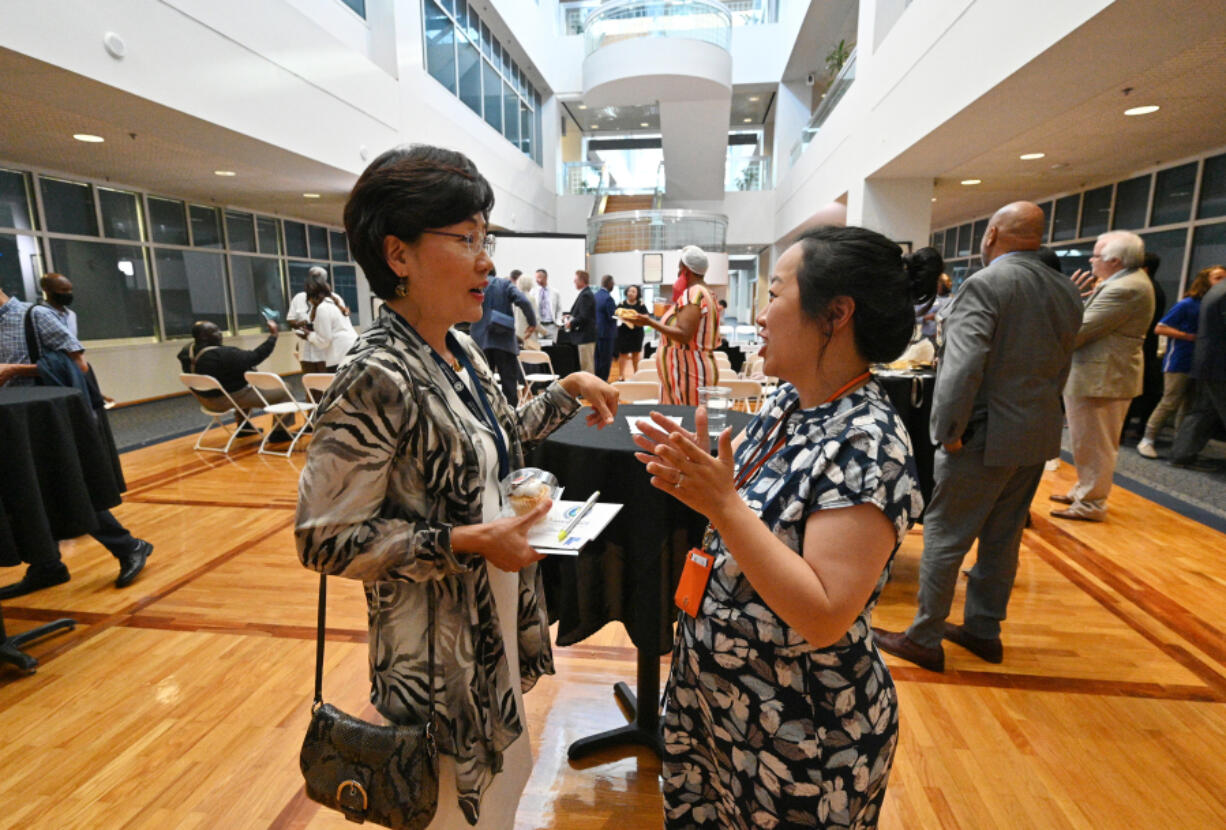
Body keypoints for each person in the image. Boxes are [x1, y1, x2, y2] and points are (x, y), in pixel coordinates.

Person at [295, 144, 618, 829]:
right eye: (466, 239)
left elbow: (492, 447)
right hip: (433, 662)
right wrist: (469, 540)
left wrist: (564, 392)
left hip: (487, 629)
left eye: (486, 237)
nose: (487, 260)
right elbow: (324, 540)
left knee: (492, 803)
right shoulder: (374, 375)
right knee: (449, 810)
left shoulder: (457, 348)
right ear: (399, 255)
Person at [631, 225, 933, 829]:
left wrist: (723, 506)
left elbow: (823, 612)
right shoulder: (788, 401)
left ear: (836, 314)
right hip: (720, 704)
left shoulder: (868, 441)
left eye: (774, 295)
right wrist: (704, 488)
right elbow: (757, 529)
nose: (759, 316)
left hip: (801, 732)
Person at [873, 202, 1084, 672]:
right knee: (1003, 538)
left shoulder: (988, 283)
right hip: (1037, 433)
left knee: (946, 535)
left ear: (991, 235)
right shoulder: (1066, 290)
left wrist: (947, 430)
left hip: (983, 435)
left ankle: (924, 637)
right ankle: (984, 629)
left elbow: (963, 366)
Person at [0, 287, 152, 597]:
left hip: (50, 423)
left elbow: (78, 365)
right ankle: (47, 565)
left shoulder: (36, 315)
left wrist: (16, 369)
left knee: (68, 489)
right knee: (29, 494)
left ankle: (129, 546)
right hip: (14, 426)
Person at [1053, 230, 1154, 522]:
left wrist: (1065, 300)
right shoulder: (1119, 283)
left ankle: (1091, 503)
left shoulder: (1126, 288)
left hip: (1103, 379)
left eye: (1096, 255)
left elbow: (1078, 330)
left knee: (1096, 444)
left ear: (1115, 260)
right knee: (1085, 440)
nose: (1091, 261)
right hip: (1097, 376)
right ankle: (1083, 491)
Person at [1137, 265, 1226, 459]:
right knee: (1170, 401)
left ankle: (1180, 443)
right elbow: (1160, 328)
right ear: (1205, 280)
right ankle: (1148, 438)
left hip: (1200, 362)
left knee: (1189, 405)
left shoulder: (1214, 306)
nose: (1221, 283)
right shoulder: (1187, 304)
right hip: (1180, 359)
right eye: (1218, 278)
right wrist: (1189, 336)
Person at [176, 318, 294, 441]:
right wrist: (273, 335)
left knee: (243, 385)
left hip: (205, 400)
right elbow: (256, 356)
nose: (220, 333)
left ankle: (244, 428)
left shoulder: (186, 351)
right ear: (203, 336)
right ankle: (280, 432)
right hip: (224, 400)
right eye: (215, 331)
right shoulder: (223, 354)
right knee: (285, 389)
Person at [630, 245, 721, 405]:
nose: (678, 273)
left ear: (686, 269)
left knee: (686, 423)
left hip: (688, 373)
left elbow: (684, 335)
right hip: (685, 372)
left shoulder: (694, 292)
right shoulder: (705, 292)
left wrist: (649, 322)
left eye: (679, 268)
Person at [1169, 275, 1226, 470]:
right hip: (1220, 365)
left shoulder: (1218, 290)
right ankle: (1182, 454)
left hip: (1207, 363)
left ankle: (1182, 455)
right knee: (1203, 411)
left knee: (1202, 411)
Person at [471, 267, 536, 404]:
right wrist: (532, 322)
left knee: (482, 384)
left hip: (479, 342)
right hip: (504, 340)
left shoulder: (473, 285)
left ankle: (487, 415)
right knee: (509, 383)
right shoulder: (504, 284)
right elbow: (523, 301)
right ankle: (510, 416)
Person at [1123, 252, 1168, 441]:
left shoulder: (1145, 290)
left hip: (1140, 346)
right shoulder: (1154, 289)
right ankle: (1132, 429)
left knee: (1131, 392)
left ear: (1144, 269)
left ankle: (1125, 430)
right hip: (1146, 346)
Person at [288, 267, 350, 373]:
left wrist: (308, 334)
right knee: (313, 383)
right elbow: (291, 320)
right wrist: (303, 326)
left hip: (327, 352)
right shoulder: (300, 297)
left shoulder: (331, 301)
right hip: (309, 352)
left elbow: (327, 338)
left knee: (328, 385)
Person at [301, 278, 359, 372]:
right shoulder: (336, 299)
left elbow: (324, 341)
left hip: (340, 356)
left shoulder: (322, 308)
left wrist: (309, 335)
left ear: (311, 296)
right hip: (355, 349)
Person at [565, 269, 597, 374]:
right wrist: (571, 316)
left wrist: (571, 323)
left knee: (587, 368)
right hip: (585, 336)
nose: (574, 282)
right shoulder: (585, 293)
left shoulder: (585, 295)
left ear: (582, 280)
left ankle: (590, 390)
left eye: (575, 280)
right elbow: (583, 313)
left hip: (585, 337)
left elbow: (584, 316)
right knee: (586, 366)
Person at [615, 284, 648, 380]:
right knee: (623, 354)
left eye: (633, 291)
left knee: (636, 354)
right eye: (629, 291)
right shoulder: (621, 304)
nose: (631, 293)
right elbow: (616, 315)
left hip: (637, 332)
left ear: (637, 294)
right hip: (623, 332)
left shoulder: (641, 304)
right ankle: (621, 376)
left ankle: (636, 376)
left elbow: (646, 317)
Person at [594, 274, 617, 381]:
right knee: (606, 361)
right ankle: (603, 383)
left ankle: (597, 381)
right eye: (613, 283)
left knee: (597, 360)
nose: (614, 285)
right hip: (607, 334)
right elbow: (612, 316)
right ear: (609, 284)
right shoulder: (608, 298)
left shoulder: (595, 296)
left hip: (596, 333)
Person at [39, 272, 78, 337]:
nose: (69, 293)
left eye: (70, 290)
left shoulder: (71, 315)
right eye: (64, 290)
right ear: (47, 290)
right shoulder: (38, 314)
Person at [529, 268, 561, 342]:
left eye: (539, 277)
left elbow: (559, 309)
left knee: (552, 349)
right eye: (536, 278)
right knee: (539, 350)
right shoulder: (533, 292)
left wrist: (558, 322)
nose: (537, 280)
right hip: (539, 325)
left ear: (546, 278)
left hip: (552, 326)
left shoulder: (555, 292)